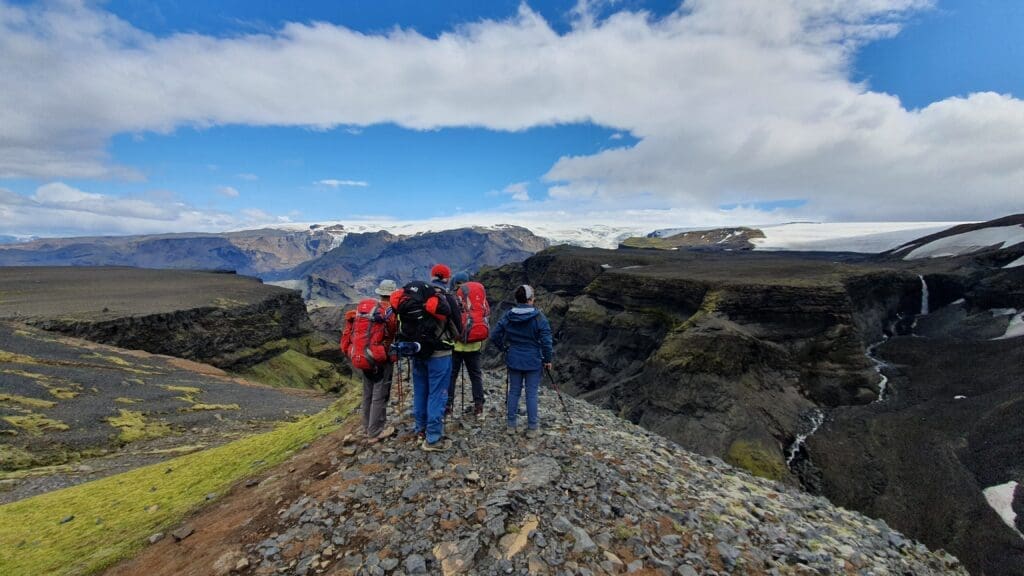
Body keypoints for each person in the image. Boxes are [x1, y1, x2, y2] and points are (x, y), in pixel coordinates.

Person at [391, 264, 462, 452]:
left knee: (421, 391)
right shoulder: (445, 297)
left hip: (417, 351)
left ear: (432, 276)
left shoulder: (414, 296)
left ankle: (420, 429)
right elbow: (459, 329)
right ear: (447, 278)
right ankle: (433, 438)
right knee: (437, 394)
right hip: (440, 355)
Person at [490, 284, 553, 438]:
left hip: (514, 358)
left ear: (517, 299)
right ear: (530, 299)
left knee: (514, 392)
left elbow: (494, 335)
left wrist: (504, 348)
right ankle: (532, 428)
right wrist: (547, 359)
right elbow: (546, 342)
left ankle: (511, 425)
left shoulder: (508, 315)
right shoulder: (539, 317)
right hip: (533, 359)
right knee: (531, 394)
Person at [341, 279, 398, 443]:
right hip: (380, 357)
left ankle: (366, 426)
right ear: (392, 294)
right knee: (380, 393)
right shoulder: (389, 312)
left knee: (368, 393)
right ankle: (375, 431)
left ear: (380, 293)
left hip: (363, 355)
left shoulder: (367, 312)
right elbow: (392, 333)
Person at [448, 271, 489, 420]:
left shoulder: (453, 297)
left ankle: (448, 407)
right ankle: (479, 407)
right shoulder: (479, 296)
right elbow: (486, 313)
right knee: (475, 376)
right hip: (475, 345)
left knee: (451, 376)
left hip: (457, 345)